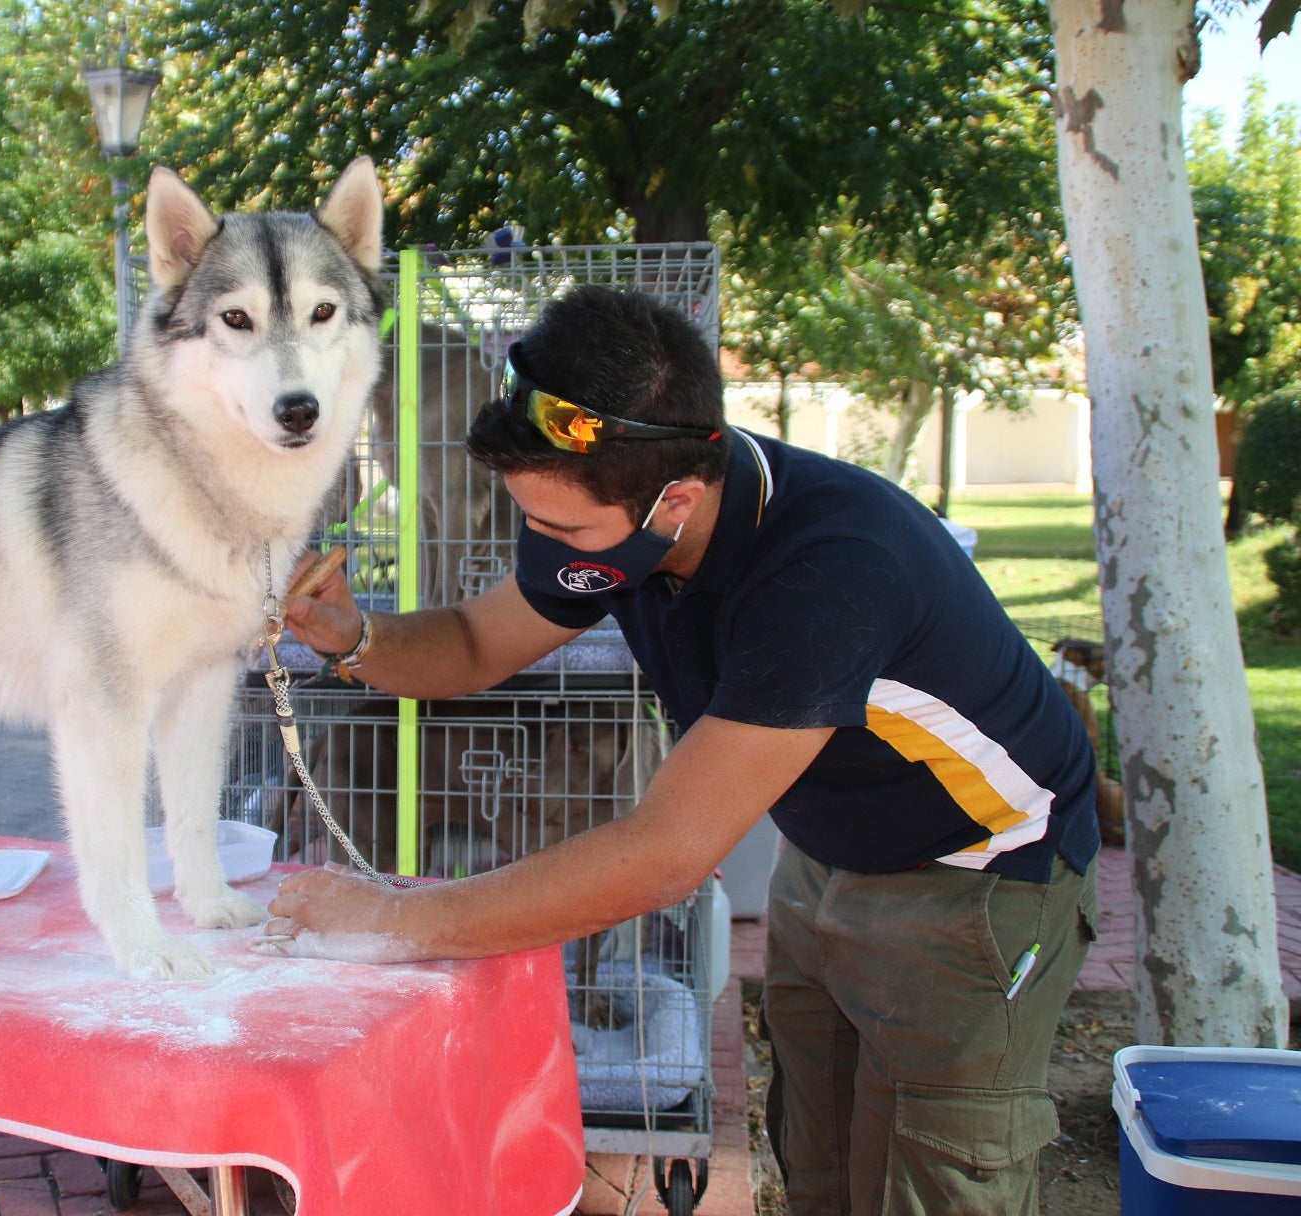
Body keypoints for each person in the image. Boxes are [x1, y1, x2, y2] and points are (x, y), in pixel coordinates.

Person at [267, 286, 1099, 1215]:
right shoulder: (614, 504)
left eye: (564, 529)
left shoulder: (830, 572)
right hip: (828, 850)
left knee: (933, 1170)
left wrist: (389, 920)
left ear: (677, 502)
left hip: (980, 872)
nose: (541, 546)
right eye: (530, 517)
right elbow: (472, 642)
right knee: (819, 1151)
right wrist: (351, 636)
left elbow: (666, 854)